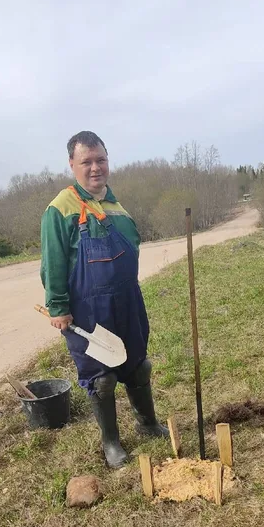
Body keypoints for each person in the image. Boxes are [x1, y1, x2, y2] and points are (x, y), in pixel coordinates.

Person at [40, 130, 168, 468]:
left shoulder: (117, 207)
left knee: (138, 366)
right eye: (87, 162)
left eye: (100, 160)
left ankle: (148, 423)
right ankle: (111, 443)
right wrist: (58, 306)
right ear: (72, 165)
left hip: (127, 301)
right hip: (87, 308)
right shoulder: (61, 208)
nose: (95, 168)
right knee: (103, 378)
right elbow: (52, 262)